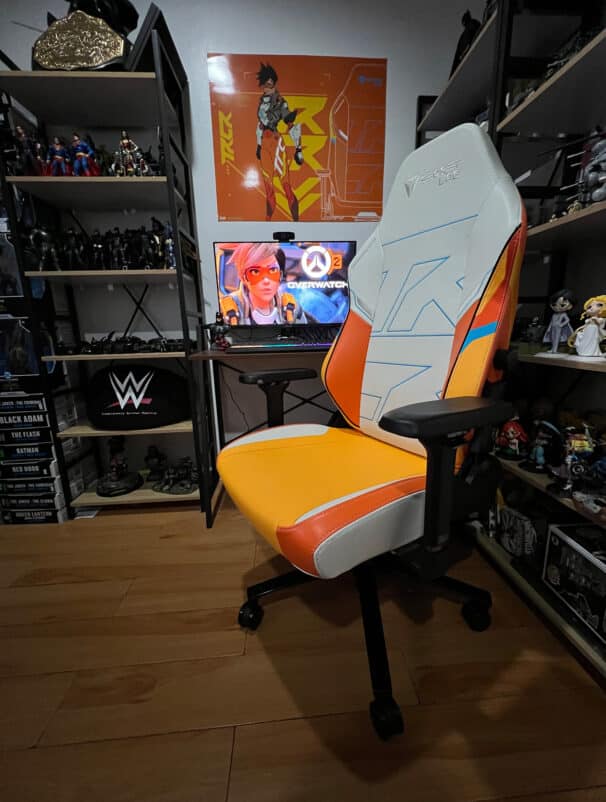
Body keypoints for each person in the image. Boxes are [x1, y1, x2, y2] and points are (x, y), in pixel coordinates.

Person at [255, 63, 303, 222]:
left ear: (274, 84)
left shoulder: (280, 102)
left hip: (276, 143)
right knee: (268, 189)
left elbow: (290, 123)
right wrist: (259, 145)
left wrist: (298, 148)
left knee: (286, 186)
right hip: (264, 144)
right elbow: (260, 125)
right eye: (264, 85)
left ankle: (297, 223)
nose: (266, 88)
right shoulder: (262, 102)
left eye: (269, 84)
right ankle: (267, 222)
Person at [220, 242, 306, 326]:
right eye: (255, 272)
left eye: (273, 270)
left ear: (280, 275)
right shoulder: (225, 310)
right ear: (243, 277)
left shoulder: (292, 307)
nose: (266, 281)